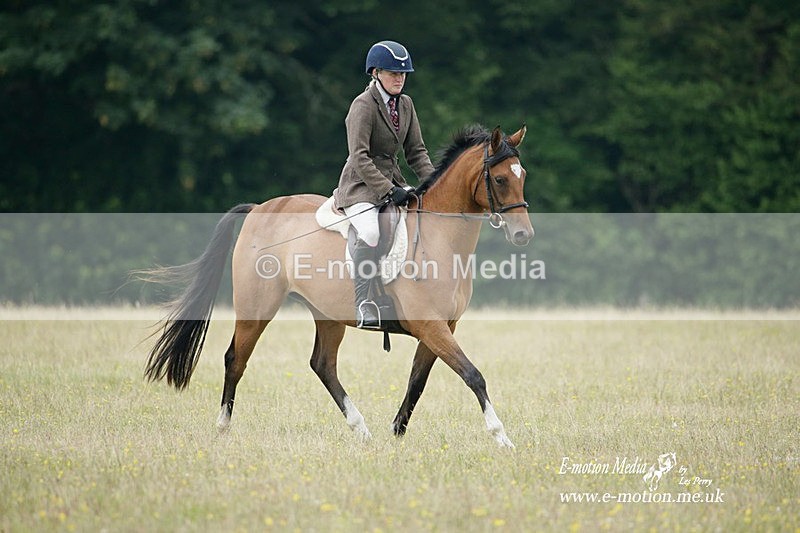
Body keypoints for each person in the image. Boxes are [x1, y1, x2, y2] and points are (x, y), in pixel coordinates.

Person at [334, 40, 436, 329]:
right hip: (361, 186)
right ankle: (363, 302)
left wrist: (433, 184)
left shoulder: (405, 104)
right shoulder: (362, 106)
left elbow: (416, 152)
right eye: (393, 73)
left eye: (403, 74)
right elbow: (359, 157)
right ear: (376, 72)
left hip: (395, 182)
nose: (399, 78)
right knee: (369, 231)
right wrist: (390, 191)